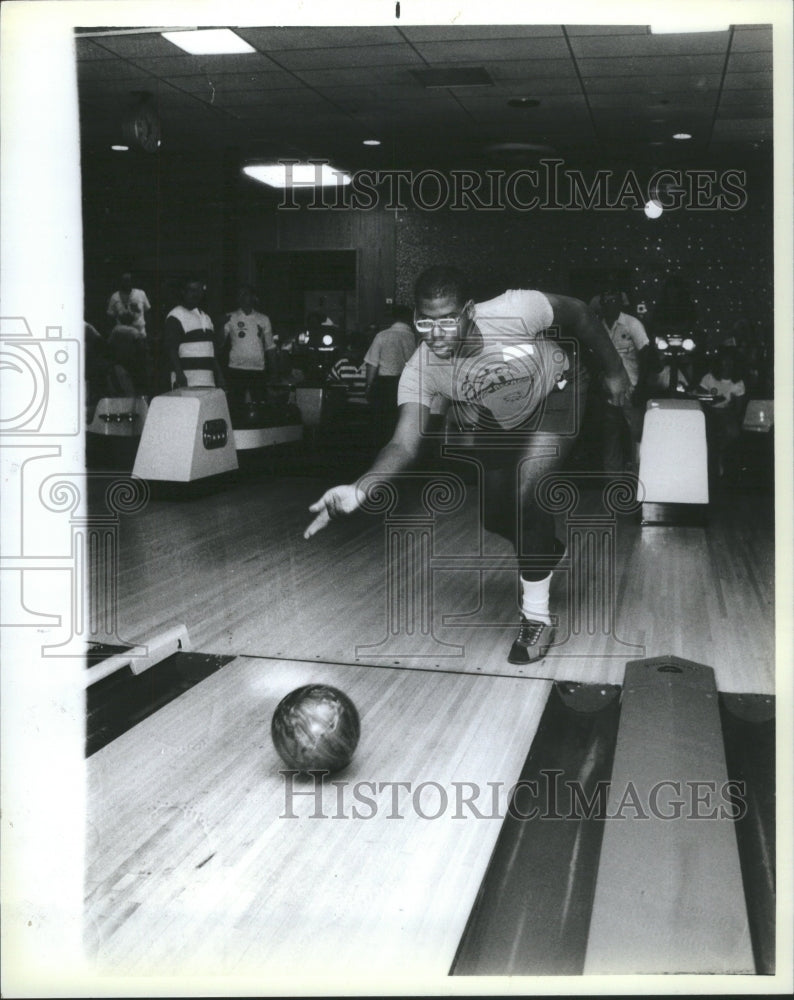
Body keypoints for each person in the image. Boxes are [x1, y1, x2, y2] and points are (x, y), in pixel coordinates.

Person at [304, 265, 630, 665]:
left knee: (527, 490)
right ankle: (545, 547)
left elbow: (579, 312)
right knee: (495, 516)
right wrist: (360, 487)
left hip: (559, 391)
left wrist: (615, 371)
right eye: (425, 322)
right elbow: (403, 443)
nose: (435, 334)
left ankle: (537, 618)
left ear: (470, 312)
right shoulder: (421, 369)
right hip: (501, 412)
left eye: (447, 321)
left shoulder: (516, 308)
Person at [597, 288, 655, 473]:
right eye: (607, 300)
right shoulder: (598, 326)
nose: (610, 304)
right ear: (602, 303)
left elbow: (647, 356)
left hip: (632, 389)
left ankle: (640, 477)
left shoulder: (632, 324)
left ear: (621, 303)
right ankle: (613, 481)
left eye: (614, 300)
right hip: (609, 391)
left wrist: (642, 387)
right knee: (610, 438)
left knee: (637, 435)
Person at [364, 305, 417, 447]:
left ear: (393, 318)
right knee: (399, 423)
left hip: (384, 385)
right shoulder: (412, 337)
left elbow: (372, 363)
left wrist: (368, 386)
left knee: (380, 424)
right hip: (405, 385)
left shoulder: (382, 335)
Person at [164, 277, 225, 390]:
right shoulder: (175, 315)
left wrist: (219, 374)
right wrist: (179, 374)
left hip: (208, 381)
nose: (196, 294)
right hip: (186, 381)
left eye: (199, 291)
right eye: (192, 290)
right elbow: (171, 349)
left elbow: (212, 351)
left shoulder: (206, 318)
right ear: (183, 292)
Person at [222, 284, 277, 405]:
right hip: (236, 368)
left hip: (257, 369)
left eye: (246, 294)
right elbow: (219, 343)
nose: (242, 297)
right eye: (240, 294)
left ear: (253, 297)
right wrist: (221, 325)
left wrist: (273, 371)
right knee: (236, 405)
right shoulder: (230, 317)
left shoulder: (263, 319)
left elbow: (270, 346)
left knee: (259, 405)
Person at [698, 349, 746, 479]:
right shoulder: (709, 378)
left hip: (726, 414)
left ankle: (719, 453)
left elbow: (739, 408)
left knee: (733, 432)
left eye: (730, 362)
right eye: (724, 361)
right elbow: (699, 397)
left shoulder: (738, 382)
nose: (727, 364)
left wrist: (730, 416)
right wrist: (708, 408)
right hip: (707, 412)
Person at [106, 271, 151, 338]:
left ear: (132, 281)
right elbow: (110, 318)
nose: (126, 283)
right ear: (120, 281)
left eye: (128, 280)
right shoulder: (114, 297)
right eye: (124, 280)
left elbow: (148, 312)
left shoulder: (141, 294)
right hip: (122, 336)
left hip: (140, 335)